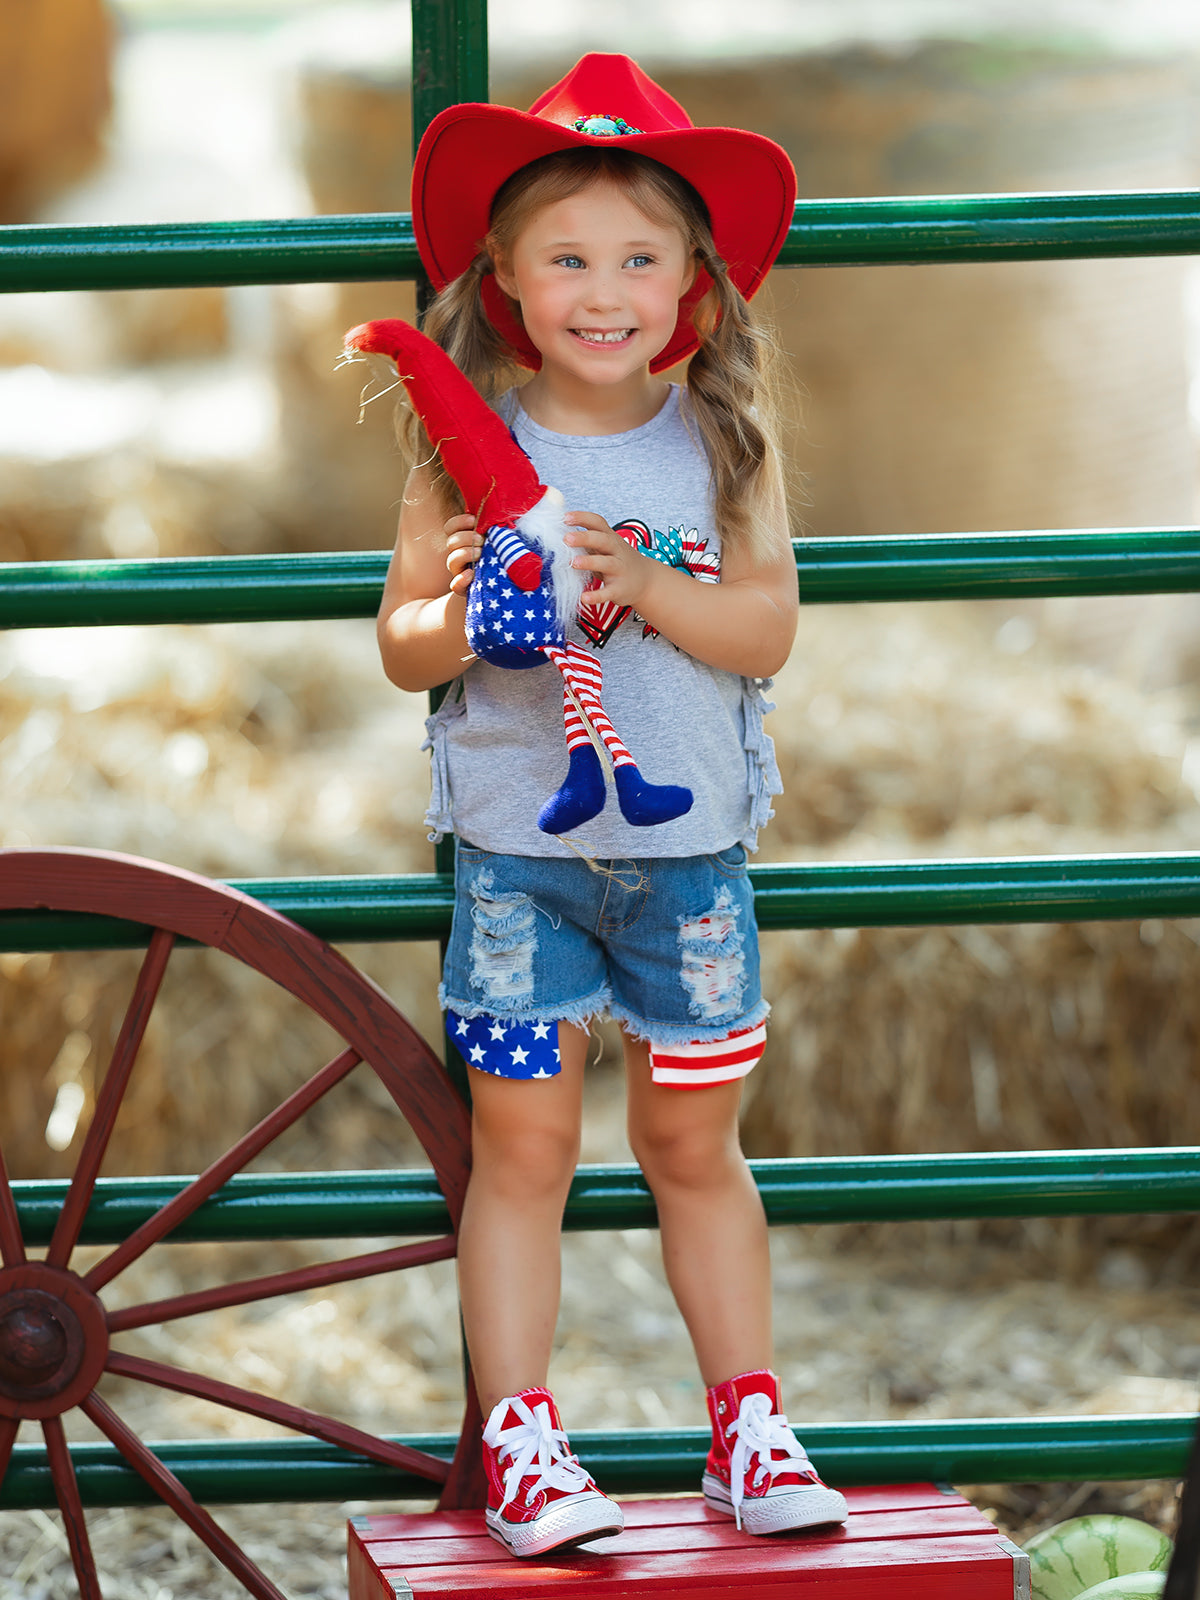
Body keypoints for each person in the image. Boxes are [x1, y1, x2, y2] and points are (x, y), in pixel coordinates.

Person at [375, 52, 848, 1559]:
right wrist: (474, 624)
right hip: (522, 866)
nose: (604, 288)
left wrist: (646, 585)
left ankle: (748, 1427)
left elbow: (767, 630)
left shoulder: (724, 438)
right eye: (567, 256)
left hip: (690, 862)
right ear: (507, 280)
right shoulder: (467, 447)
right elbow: (399, 647)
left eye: (639, 256)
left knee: (698, 1149)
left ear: (691, 279)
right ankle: (523, 1440)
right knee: (524, 1158)